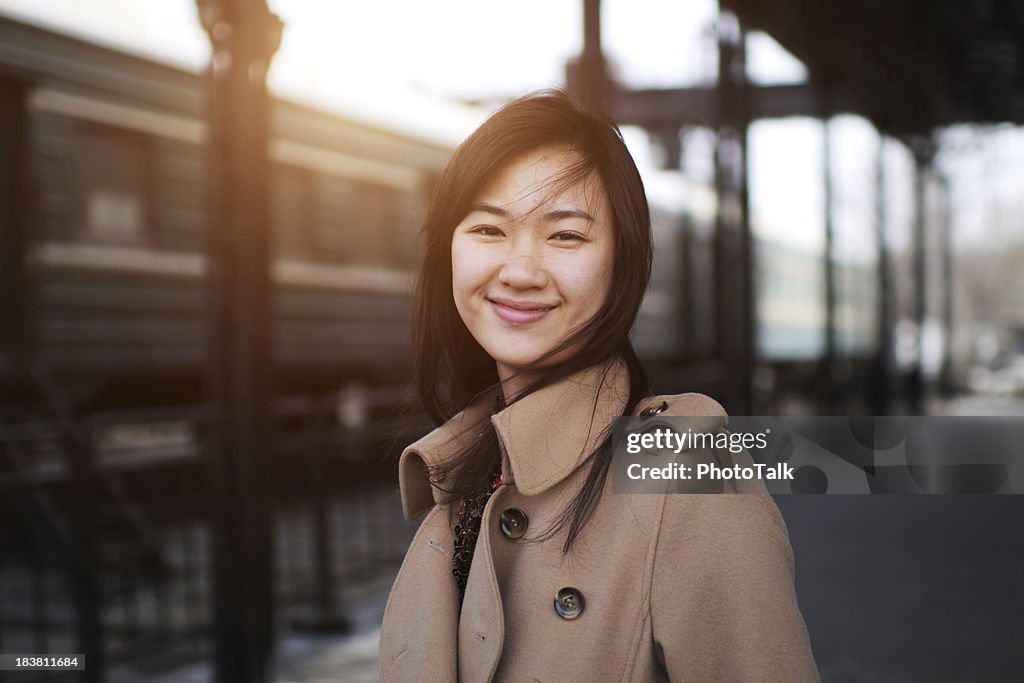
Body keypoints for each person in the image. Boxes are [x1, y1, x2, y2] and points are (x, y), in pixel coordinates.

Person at [379, 91, 818, 682]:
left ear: (622, 263)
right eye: (488, 228)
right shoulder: (466, 470)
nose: (519, 271)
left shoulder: (689, 467)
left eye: (565, 236)